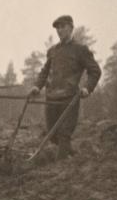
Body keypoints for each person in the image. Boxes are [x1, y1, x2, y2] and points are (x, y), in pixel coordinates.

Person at [29, 15, 101, 159]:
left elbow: (95, 71)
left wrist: (87, 88)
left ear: (71, 28)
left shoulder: (80, 50)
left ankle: (60, 168)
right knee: (52, 134)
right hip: (51, 99)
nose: (59, 30)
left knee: (64, 133)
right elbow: (45, 71)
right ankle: (71, 155)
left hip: (69, 99)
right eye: (57, 28)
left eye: (63, 27)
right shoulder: (53, 51)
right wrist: (37, 86)